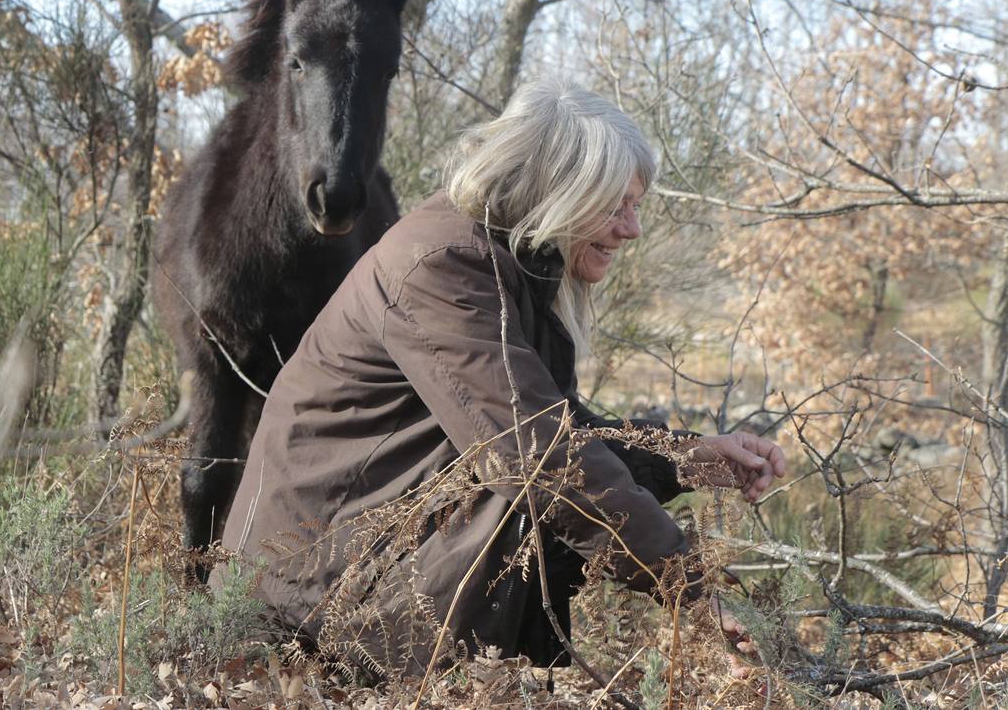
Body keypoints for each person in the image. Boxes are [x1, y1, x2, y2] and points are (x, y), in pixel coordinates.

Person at [215, 76, 785, 678]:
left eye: (636, 205)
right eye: (615, 203)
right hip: (308, 603)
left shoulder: (502, 262)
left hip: (342, 572)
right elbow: (540, 459)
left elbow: (552, 428)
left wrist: (684, 456)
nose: (631, 229)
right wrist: (690, 586)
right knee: (530, 492)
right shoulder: (442, 266)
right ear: (559, 188)